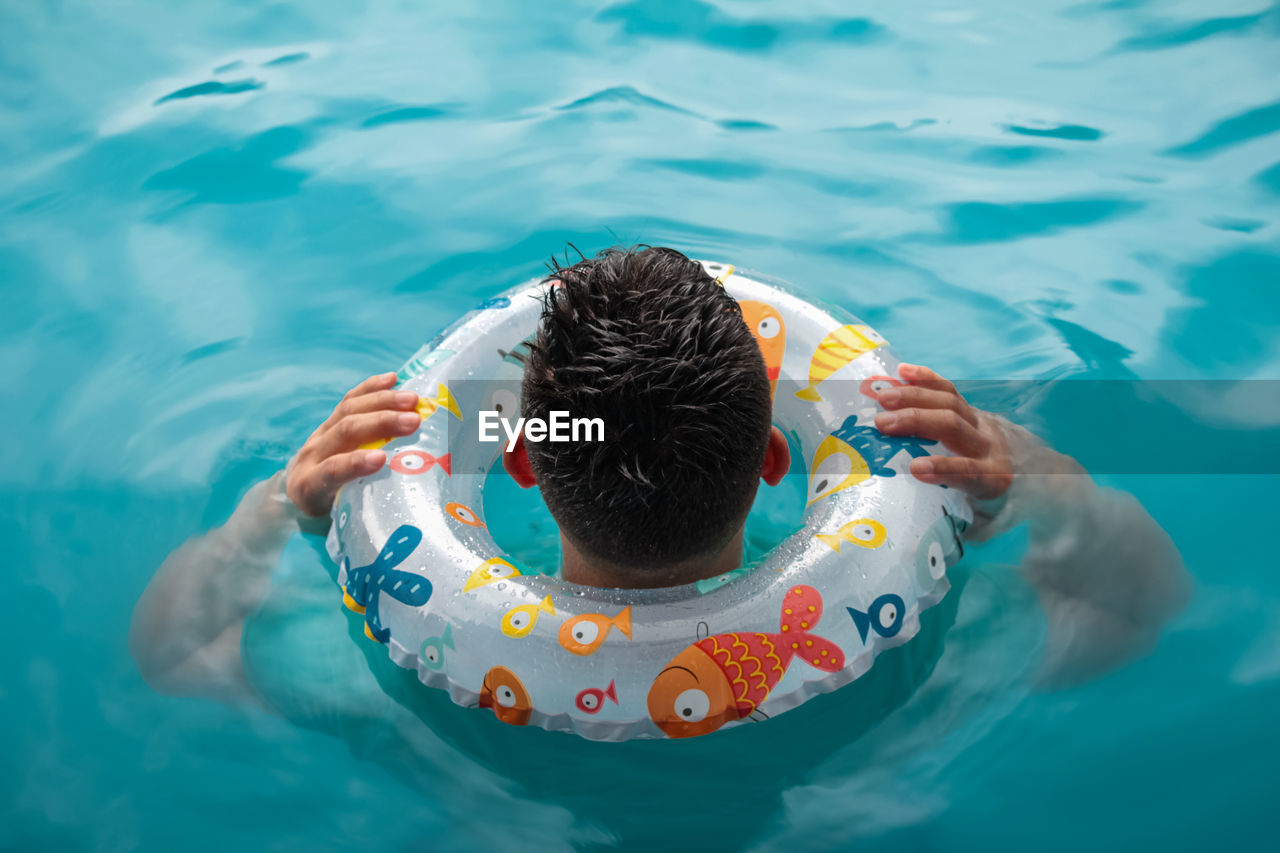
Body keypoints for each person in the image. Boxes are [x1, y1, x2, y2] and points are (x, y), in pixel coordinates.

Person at [131, 245, 1188, 704]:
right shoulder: (939, 653)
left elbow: (170, 652)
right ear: (777, 459)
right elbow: (1147, 603)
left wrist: (275, 508)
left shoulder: (367, 669)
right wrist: (1033, 479)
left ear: (526, 464)